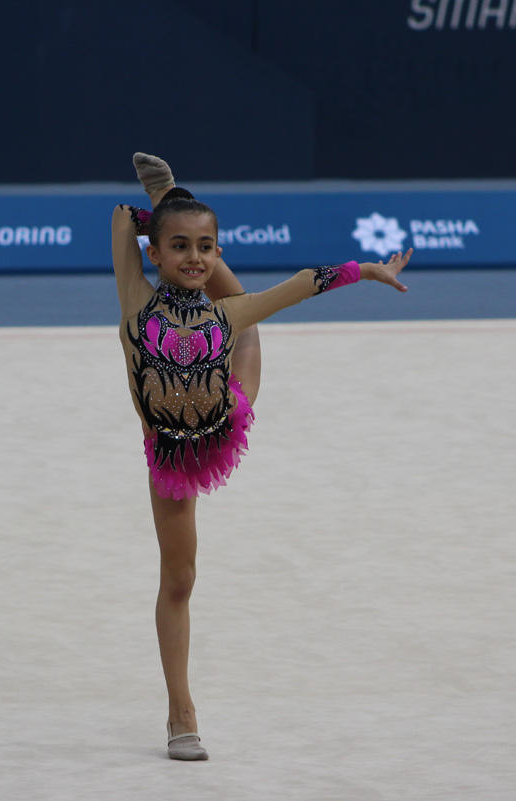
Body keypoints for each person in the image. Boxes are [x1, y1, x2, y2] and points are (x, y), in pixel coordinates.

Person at [114, 153, 412, 760]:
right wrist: (162, 199)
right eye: (180, 246)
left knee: (252, 323)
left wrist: (366, 270)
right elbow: (122, 217)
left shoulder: (225, 313)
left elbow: (299, 285)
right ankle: (181, 710)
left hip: (227, 415)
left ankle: (180, 214)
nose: (195, 258)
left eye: (206, 247)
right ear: (155, 252)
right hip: (170, 454)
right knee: (180, 578)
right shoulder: (134, 302)